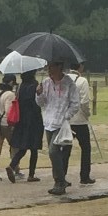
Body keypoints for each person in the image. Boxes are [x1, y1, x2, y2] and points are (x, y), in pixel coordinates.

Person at [39, 60, 88, 196]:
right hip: (48, 122)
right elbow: (41, 103)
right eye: (48, 68)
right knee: (55, 154)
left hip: (61, 123)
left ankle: (59, 181)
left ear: (59, 67)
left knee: (53, 152)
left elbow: (75, 104)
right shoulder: (46, 83)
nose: (49, 70)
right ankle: (60, 180)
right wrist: (39, 94)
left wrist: (66, 116)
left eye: (52, 67)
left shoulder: (69, 83)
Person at [6, 71, 43, 182]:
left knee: (23, 147)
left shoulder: (21, 86)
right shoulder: (35, 85)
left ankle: (12, 165)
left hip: (22, 120)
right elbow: (38, 102)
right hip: (34, 120)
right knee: (34, 148)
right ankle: (31, 174)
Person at [69, 64, 94, 183]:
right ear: (81, 67)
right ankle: (84, 176)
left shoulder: (64, 79)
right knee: (86, 149)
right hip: (80, 120)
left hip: (67, 121)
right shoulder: (82, 81)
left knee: (65, 150)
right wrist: (87, 114)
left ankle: (61, 177)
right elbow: (84, 101)